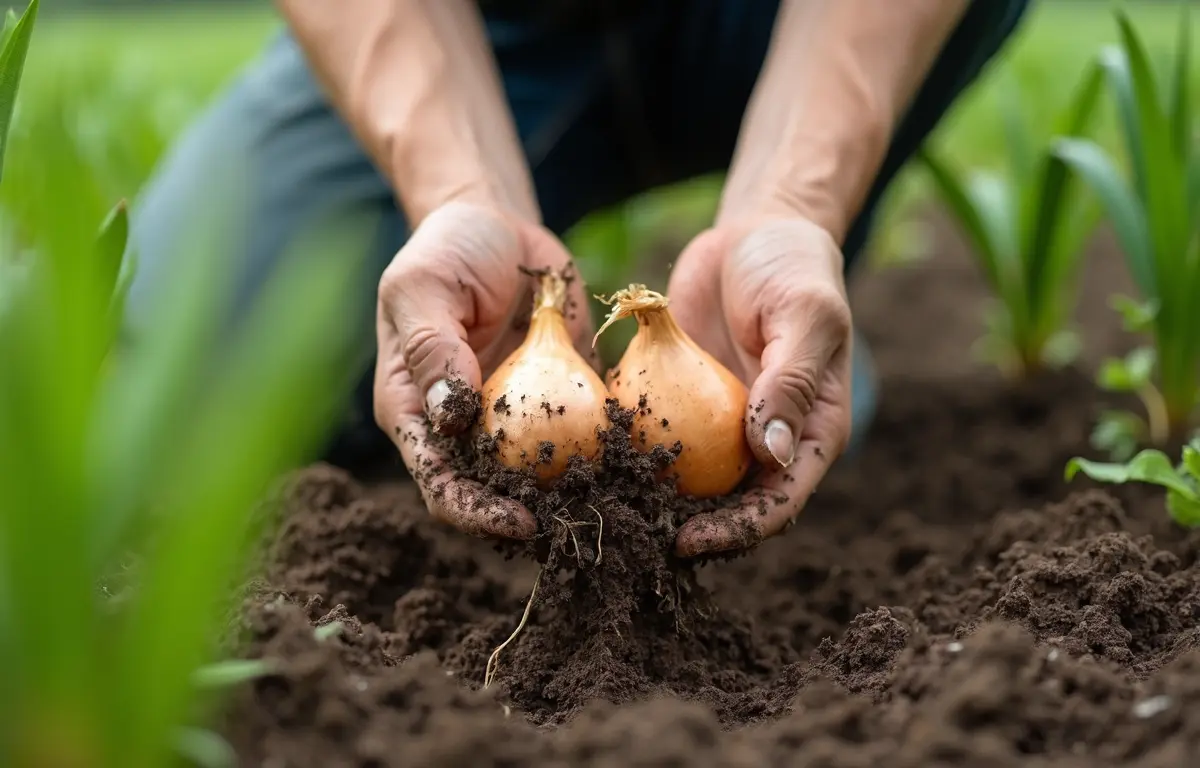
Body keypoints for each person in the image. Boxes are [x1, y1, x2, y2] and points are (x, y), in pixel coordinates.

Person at [126, 0, 1028, 557]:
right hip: (485, 21)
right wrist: (458, 193)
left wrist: (793, 204)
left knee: (723, 430)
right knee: (172, 385)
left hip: (774, 18)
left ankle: (779, 329)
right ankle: (771, 350)